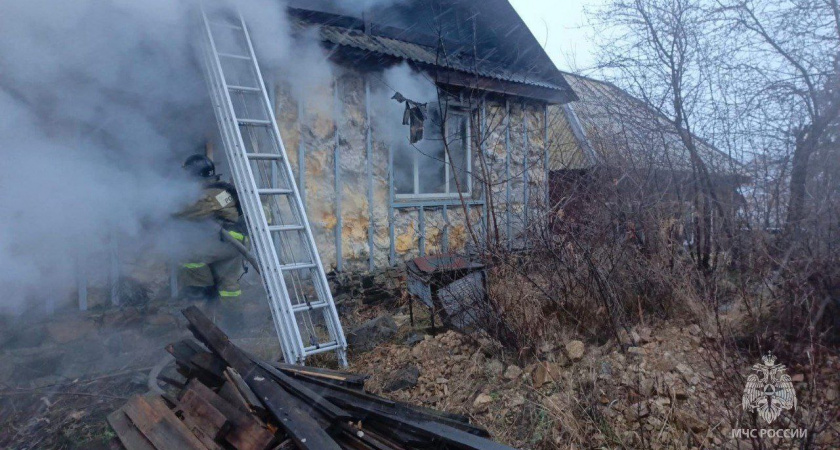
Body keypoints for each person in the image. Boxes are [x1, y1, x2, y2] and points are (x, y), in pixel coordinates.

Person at [176, 154, 248, 322]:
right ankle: (235, 322)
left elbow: (193, 211)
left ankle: (201, 291)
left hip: (226, 241)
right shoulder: (222, 190)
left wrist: (167, 211)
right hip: (235, 243)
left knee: (189, 256)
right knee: (228, 283)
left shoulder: (210, 194)